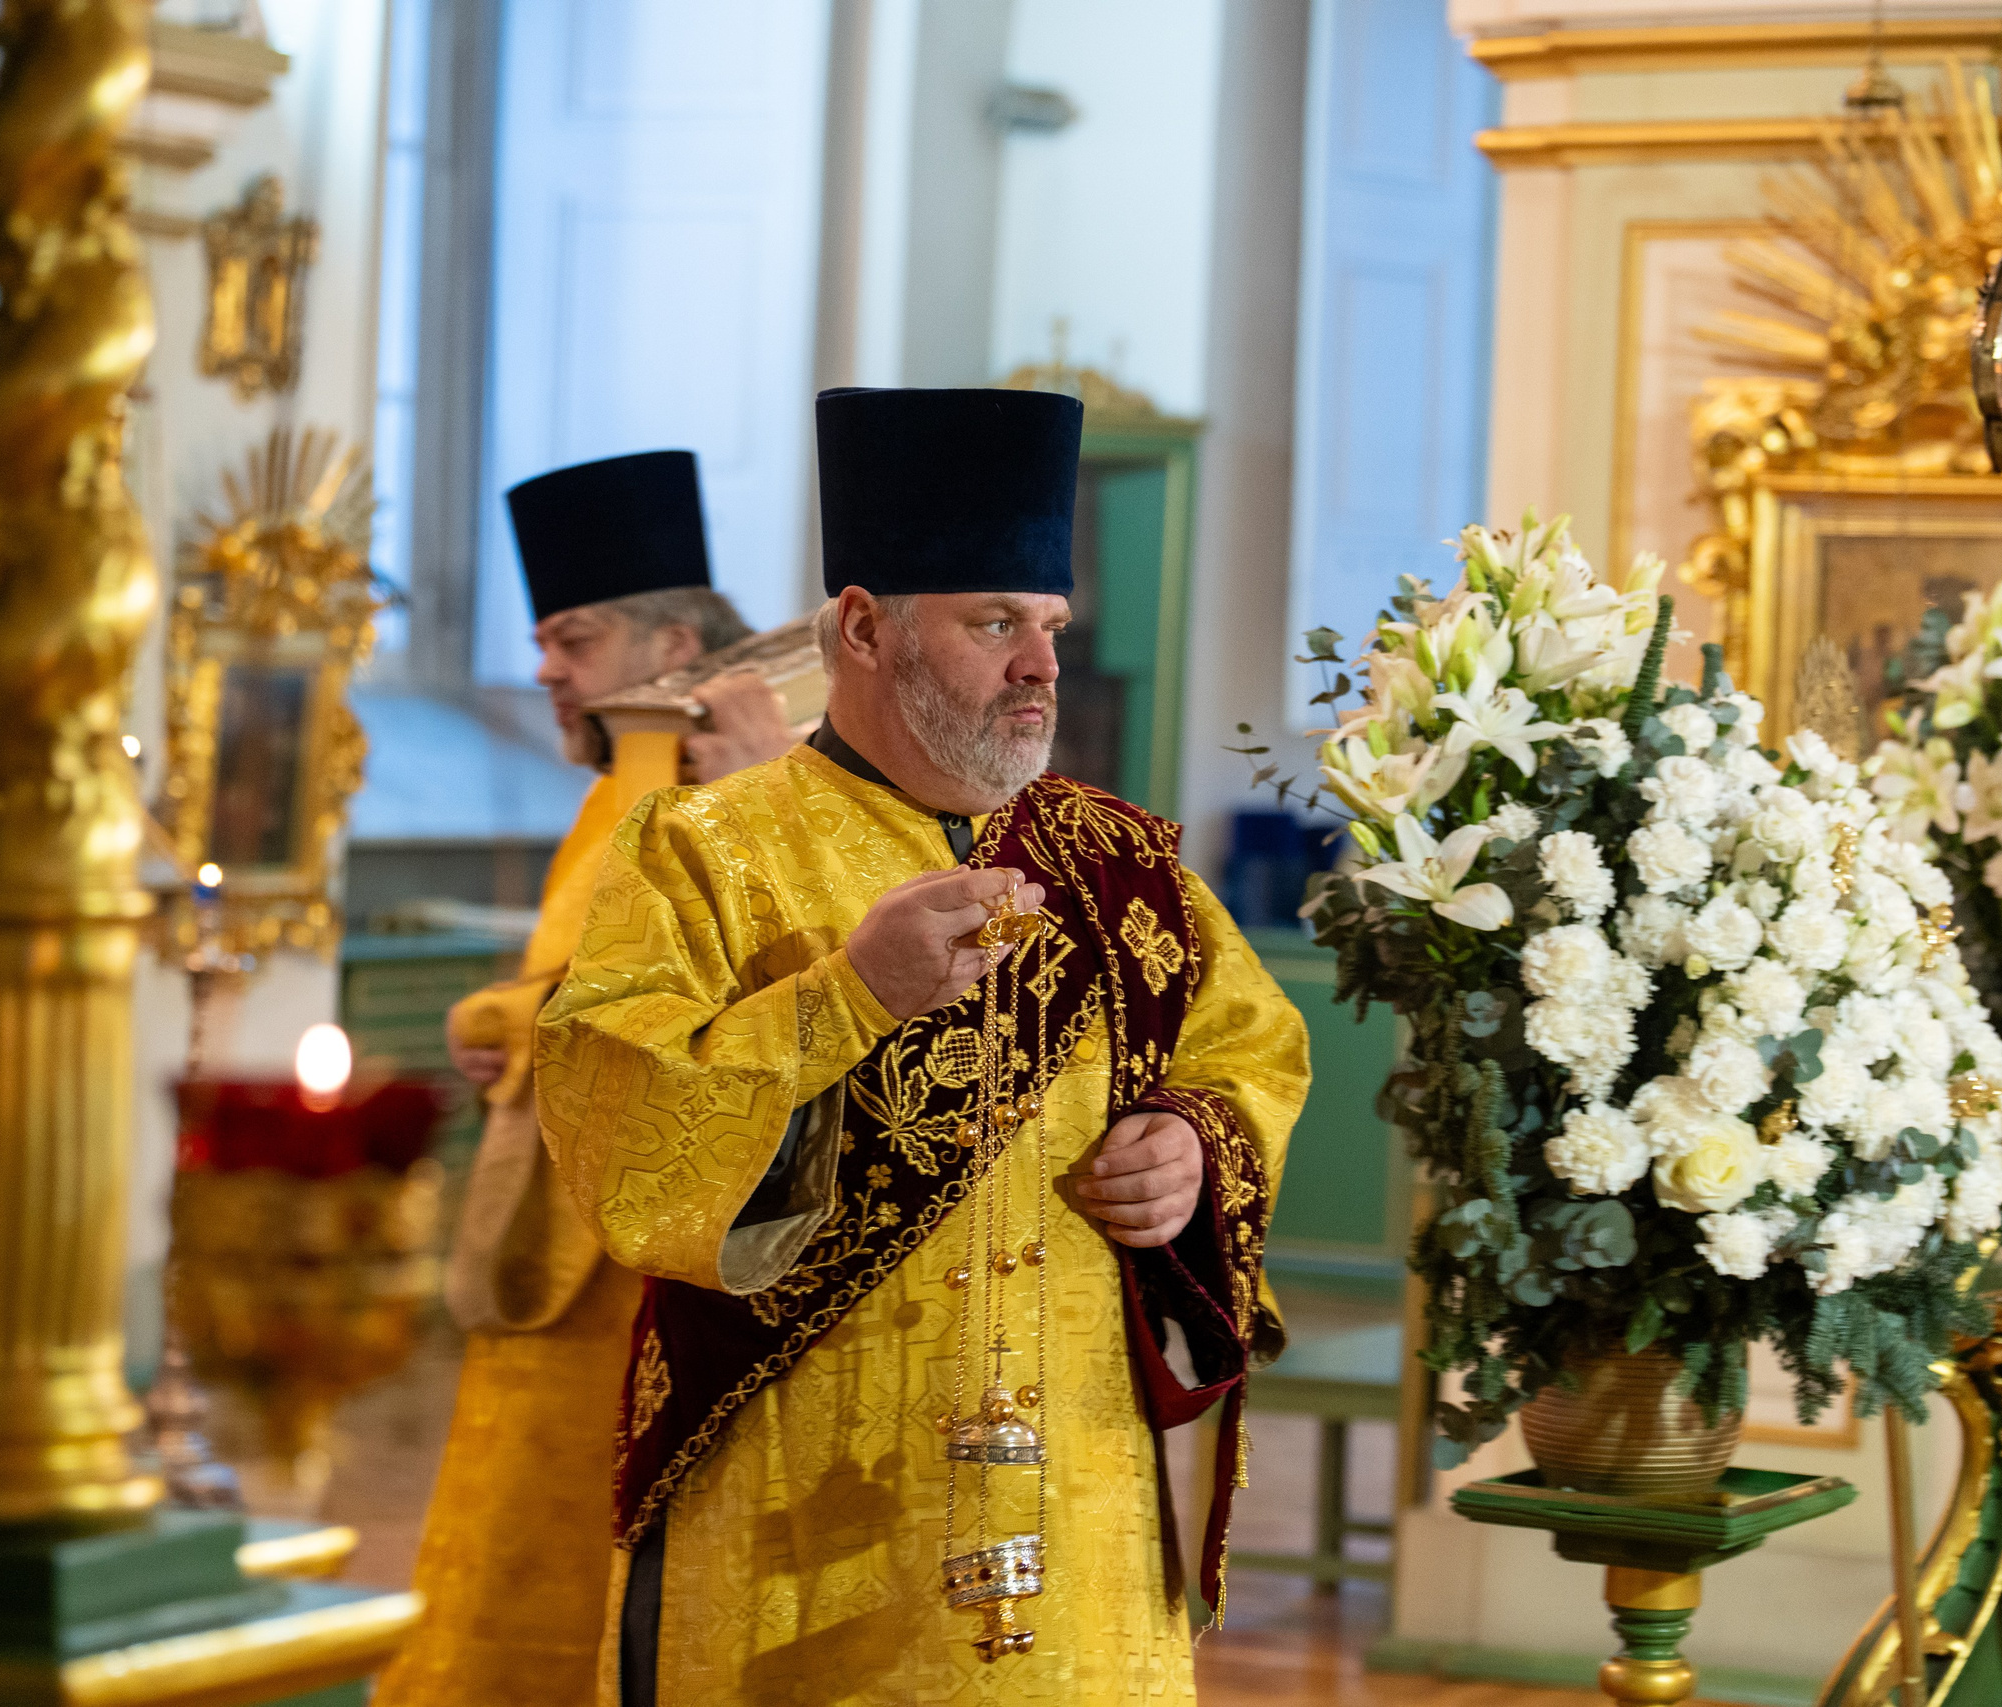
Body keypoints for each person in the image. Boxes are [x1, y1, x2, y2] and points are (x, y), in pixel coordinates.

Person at [536, 387, 1311, 1704]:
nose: (1040, 667)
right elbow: (616, 1112)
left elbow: (1252, 1047)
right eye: (994, 622)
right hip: (804, 1516)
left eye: (1050, 627)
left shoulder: (1116, 855)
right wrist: (848, 995)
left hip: (1080, 1503)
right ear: (861, 625)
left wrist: (1194, 1143)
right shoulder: (703, 848)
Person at [377, 448, 796, 1707]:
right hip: (563, 1248)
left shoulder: (731, 779)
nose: (547, 669)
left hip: (644, 1262)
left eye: (571, 640)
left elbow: (726, 984)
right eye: (543, 642)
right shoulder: (627, 780)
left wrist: (518, 1015)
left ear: (673, 639)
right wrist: (513, 1016)